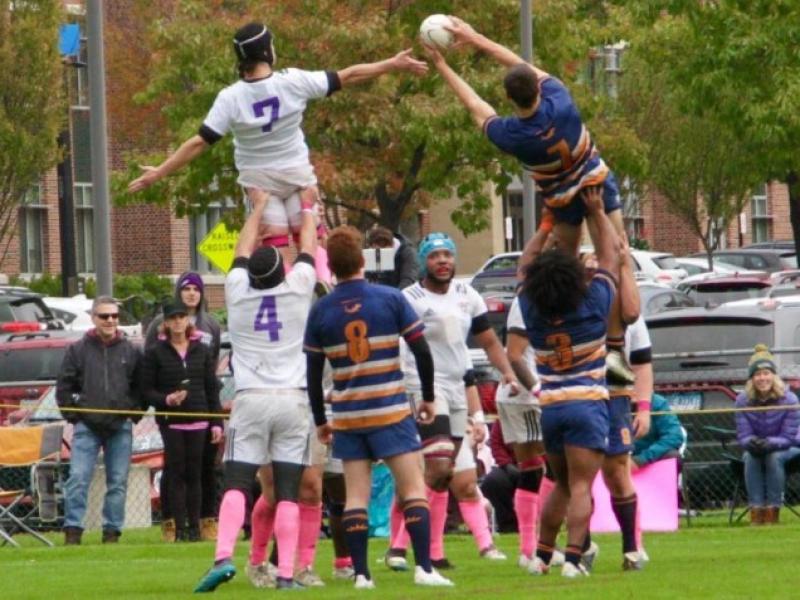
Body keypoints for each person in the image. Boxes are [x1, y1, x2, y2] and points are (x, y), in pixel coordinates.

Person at [422, 17, 639, 384]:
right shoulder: (562, 101)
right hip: (596, 184)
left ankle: (569, 338)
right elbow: (516, 63)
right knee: (617, 259)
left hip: (562, 201)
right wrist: (475, 38)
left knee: (564, 269)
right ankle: (616, 349)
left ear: (509, 99)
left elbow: (475, 105)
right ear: (538, 90)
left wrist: (442, 66)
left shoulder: (512, 136)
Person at [128, 21, 427, 275]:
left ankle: (284, 294)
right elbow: (348, 75)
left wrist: (160, 172)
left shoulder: (230, 97)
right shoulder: (293, 81)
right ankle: (325, 282)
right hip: (298, 176)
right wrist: (392, 63)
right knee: (311, 239)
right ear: (266, 51)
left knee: (277, 251)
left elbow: (198, 143)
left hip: (260, 184)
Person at [304, 225, 453, 589]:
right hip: (390, 410)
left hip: (350, 415)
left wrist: (322, 420)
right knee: (413, 487)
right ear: (362, 260)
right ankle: (424, 569)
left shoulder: (321, 310)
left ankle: (361, 575)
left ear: (333, 267)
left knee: (356, 495)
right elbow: (421, 350)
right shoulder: (390, 298)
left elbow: (312, 373)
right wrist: (429, 397)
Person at [194, 191, 316, 592]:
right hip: (292, 399)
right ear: (283, 272)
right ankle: (285, 576)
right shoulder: (298, 289)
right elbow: (309, 249)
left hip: (250, 398)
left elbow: (241, 253)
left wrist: (258, 207)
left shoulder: (237, 292)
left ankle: (223, 556)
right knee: (286, 492)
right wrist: (308, 208)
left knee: (236, 482)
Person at [386, 233, 517, 570]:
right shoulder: (410, 299)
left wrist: (507, 373)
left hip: (458, 387)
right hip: (425, 388)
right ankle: (399, 549)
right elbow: (395, 346)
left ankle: (432, 551)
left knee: (442, 476)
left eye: (447, 255)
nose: (442, 261)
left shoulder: (467, 294)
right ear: (424, 262)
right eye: (434, 256)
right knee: (440, 465)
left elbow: (488, 341)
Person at [518, 188, 621, 578]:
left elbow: (525, 265)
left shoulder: (531, 306)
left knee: (559, 484)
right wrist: (597, 213)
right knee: (581, 487)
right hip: (586, 403)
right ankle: (574, 561)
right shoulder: (592, 304)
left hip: (552, 406)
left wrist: (545, 225)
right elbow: (611, 257)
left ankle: (542, 556)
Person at [56, 296, 143, 545]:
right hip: (87, 427)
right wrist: (75, 415)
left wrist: (132, 413)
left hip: (120, 427)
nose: (110, 321)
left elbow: (140, 387)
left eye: (115, 316)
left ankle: (112, 532)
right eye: (105, 316)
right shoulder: (77, 350)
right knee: (78, 479)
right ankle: (73, 530)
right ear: (94, 318)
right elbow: (63, 386)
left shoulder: (131, 350)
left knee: (117, 482)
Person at [145, 271, 222, 542]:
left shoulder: (201, 348)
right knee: (175, 471)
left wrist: (216, 421)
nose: (178, 322)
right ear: (165, 323)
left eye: (181, 317)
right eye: (172, 318)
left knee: (197, 472)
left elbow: (211, 386)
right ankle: (176, 526)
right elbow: (147, 388)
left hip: (199, 417)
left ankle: (197, 525)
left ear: (188, 319)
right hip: (172, 420)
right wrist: (166, 399)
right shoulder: (156, 352)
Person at [735, 344, 800, 525]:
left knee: (773, 457)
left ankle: (773, 511)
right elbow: (743, 434)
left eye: (766, 373)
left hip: (790, 446)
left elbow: (789, 436)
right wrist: (751, 442)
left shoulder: (790, 399)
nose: (762, 378)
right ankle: (756, 513)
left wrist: (769, 443)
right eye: (757, 374)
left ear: (773, 375)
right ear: (751, 378)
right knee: (749, 457)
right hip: (757, 447)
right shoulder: (742, 401)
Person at [480, 420, 520, 533]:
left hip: (537, 466)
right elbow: (496, 444)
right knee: (493, 481)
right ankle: (508, 526)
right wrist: (507, 464)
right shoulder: (502, 418)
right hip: (509, 465)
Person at [631, 393, 685, 469]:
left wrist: (641, 459)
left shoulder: (658, 403)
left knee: (673, 456)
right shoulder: (610, 402)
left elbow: (674, 436)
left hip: (648, 459)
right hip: (616, 458)